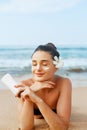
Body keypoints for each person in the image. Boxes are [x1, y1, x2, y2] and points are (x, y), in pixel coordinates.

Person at [15, 43, 72, 130]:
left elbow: (62, 127)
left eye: (45, 64)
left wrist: (38, 101)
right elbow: (25, 128)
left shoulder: (63, 83)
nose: (38, 68)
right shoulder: (24, 85)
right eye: (34, 64)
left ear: (56, 67)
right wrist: (29, 94)